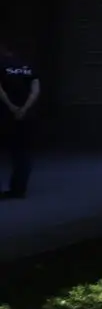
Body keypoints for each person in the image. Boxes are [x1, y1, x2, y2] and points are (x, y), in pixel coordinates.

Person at [0, 41, 40, 199]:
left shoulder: (2, 64)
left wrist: (12, 107)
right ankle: (19, 189)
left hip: (5, 114)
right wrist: (24, 108)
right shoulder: (27, 67)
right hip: (27, 116)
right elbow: (35, 90)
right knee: (23, 153)